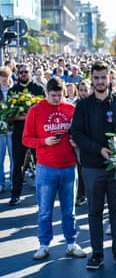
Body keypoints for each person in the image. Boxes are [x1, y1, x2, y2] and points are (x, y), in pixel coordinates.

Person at [71, 60, 116, 270]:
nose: (99, 81)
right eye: (95, 78)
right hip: (92, 167)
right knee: (94, 212)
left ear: (110, 78)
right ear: (91, 79)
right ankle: (97, 253)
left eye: (103, 77)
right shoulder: (83, 105)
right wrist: (99, 149)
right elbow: (76, 133)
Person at [22, 77, 87, 261]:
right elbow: (26, 139)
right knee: (44, 209)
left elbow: (79, 133)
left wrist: (76, 141)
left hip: (68, 166)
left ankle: (70, 243)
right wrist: (43, 141)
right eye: (53, 96)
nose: (57, 99)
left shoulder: (71, 109)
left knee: (69, 210)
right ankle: (44, 244)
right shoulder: (35, 111)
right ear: (46, 93)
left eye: (60, 95)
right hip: (46, 167)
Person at [8, 63, 45, 205]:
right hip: (19, 133)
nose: (23, 74)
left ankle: (43, 194)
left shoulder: (38, 88)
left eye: (26, 72)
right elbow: (9, 116)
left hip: (37, 134)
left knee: (40, 164)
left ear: (31, 73)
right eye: (21, 72)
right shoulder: (13, 91)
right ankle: (15, 194)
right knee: (17, 164)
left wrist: (30, 115)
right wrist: (25, 117)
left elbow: (44, 112)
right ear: (17, 74)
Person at [0, 66, 13, 193]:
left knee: (13, 157)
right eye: (2, 76)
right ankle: (1, 183)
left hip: (11, 128)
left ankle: (13, 182)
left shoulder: (13, 92)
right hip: (0, 130)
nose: (4, 79)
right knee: (0, 157)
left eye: (6, 76)